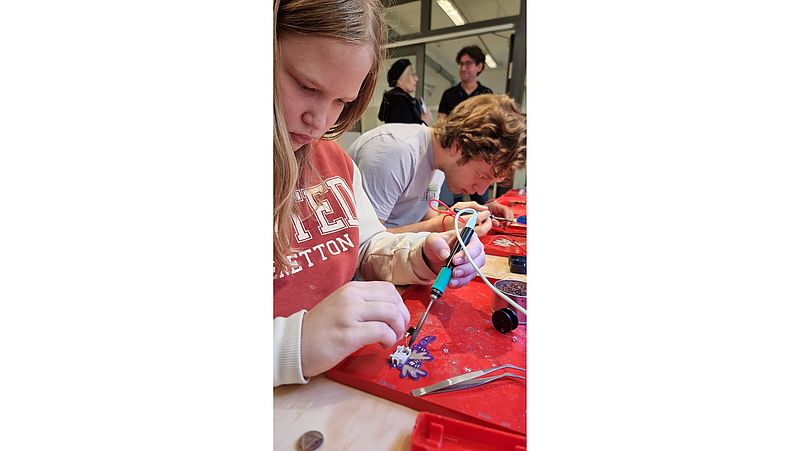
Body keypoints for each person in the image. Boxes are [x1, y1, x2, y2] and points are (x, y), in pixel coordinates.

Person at [273, 0, 486, 387]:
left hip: (337, 389)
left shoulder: (334, 161)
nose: (320, 121)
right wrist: (293, 344)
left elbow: (367, 247)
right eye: (306, 87)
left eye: (342, 101)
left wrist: (421, 255)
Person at [346, 93, 525, 236]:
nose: (480, 191)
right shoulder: (393, 152)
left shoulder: (439, 160)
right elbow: (363, 243)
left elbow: (425, 218)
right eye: (482, 176)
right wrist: (441, 225)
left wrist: (464, 215)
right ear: (458, 146)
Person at [438, 45, 495, 204]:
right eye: (461, 64)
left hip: (479, 157)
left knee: (481, 201)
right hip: (454, 157)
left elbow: (492, 127)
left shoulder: (487, 95)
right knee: (453, 202)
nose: (463, 68)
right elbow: (441, 124)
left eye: (468, 64)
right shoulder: (449, 95)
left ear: (479, 67)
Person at [378, 59, 433, 125]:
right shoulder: (399, 102)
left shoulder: (395, 99)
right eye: (413, 75)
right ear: (400, 80)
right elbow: (404, 130)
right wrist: (424, 122)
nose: (417, 79)